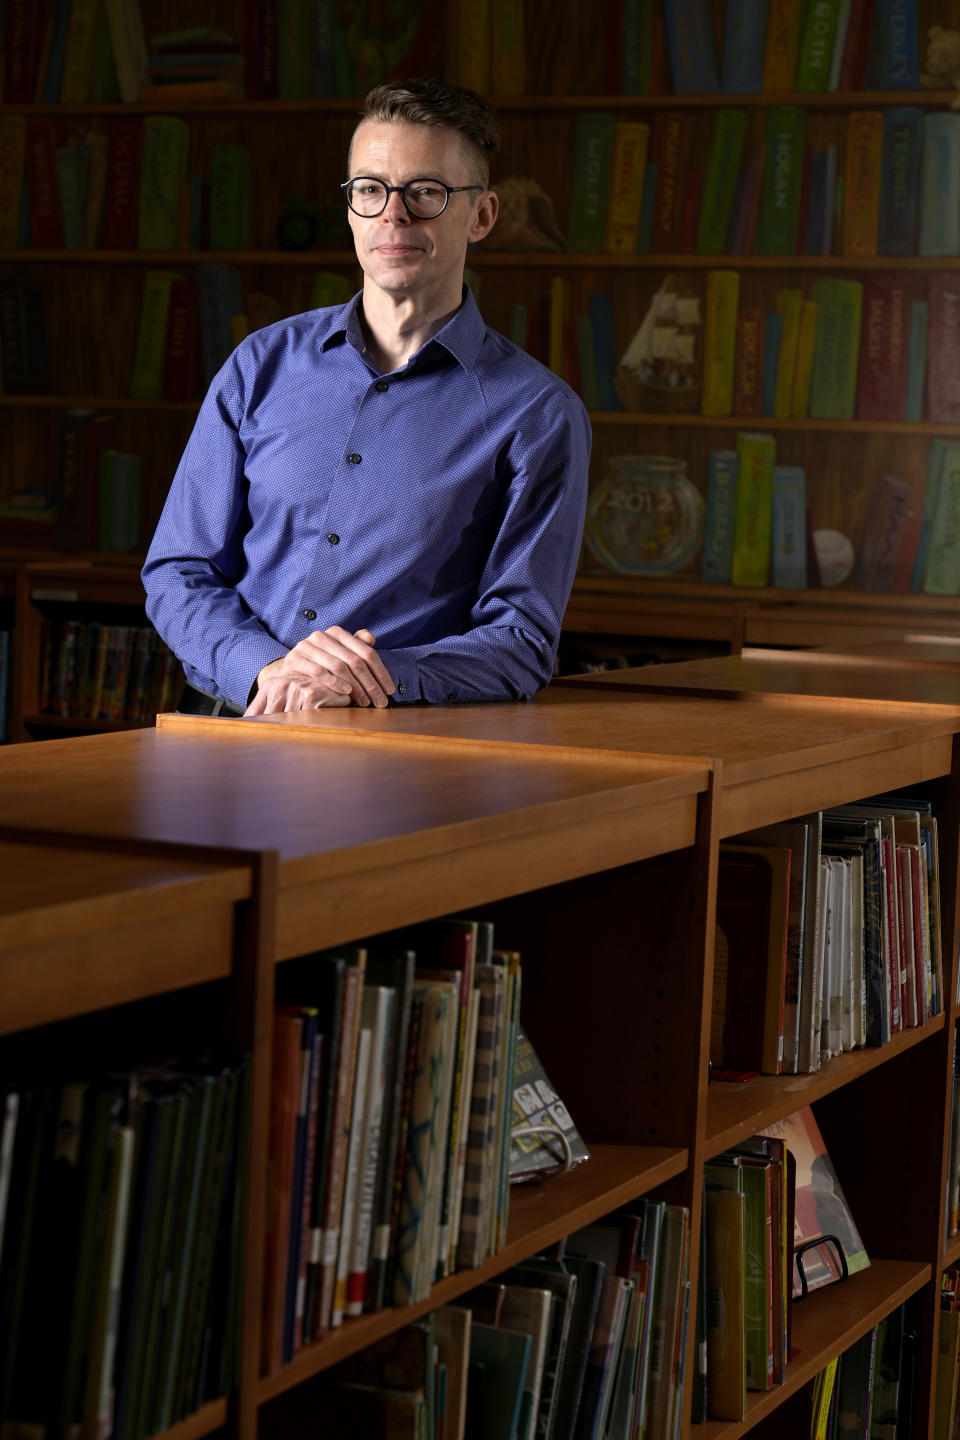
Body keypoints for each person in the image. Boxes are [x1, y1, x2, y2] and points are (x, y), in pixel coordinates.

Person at [142, 78, 591, 716]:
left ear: (482, 215)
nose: (393, 215)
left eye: (426, 192)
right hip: (230, 732)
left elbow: (520, 641)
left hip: (403, 751)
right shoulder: (262, 364)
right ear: (351, 206)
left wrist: (367, 677)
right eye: (371, 190)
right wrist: (266, 669)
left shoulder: (539, 415)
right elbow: (178, 570)